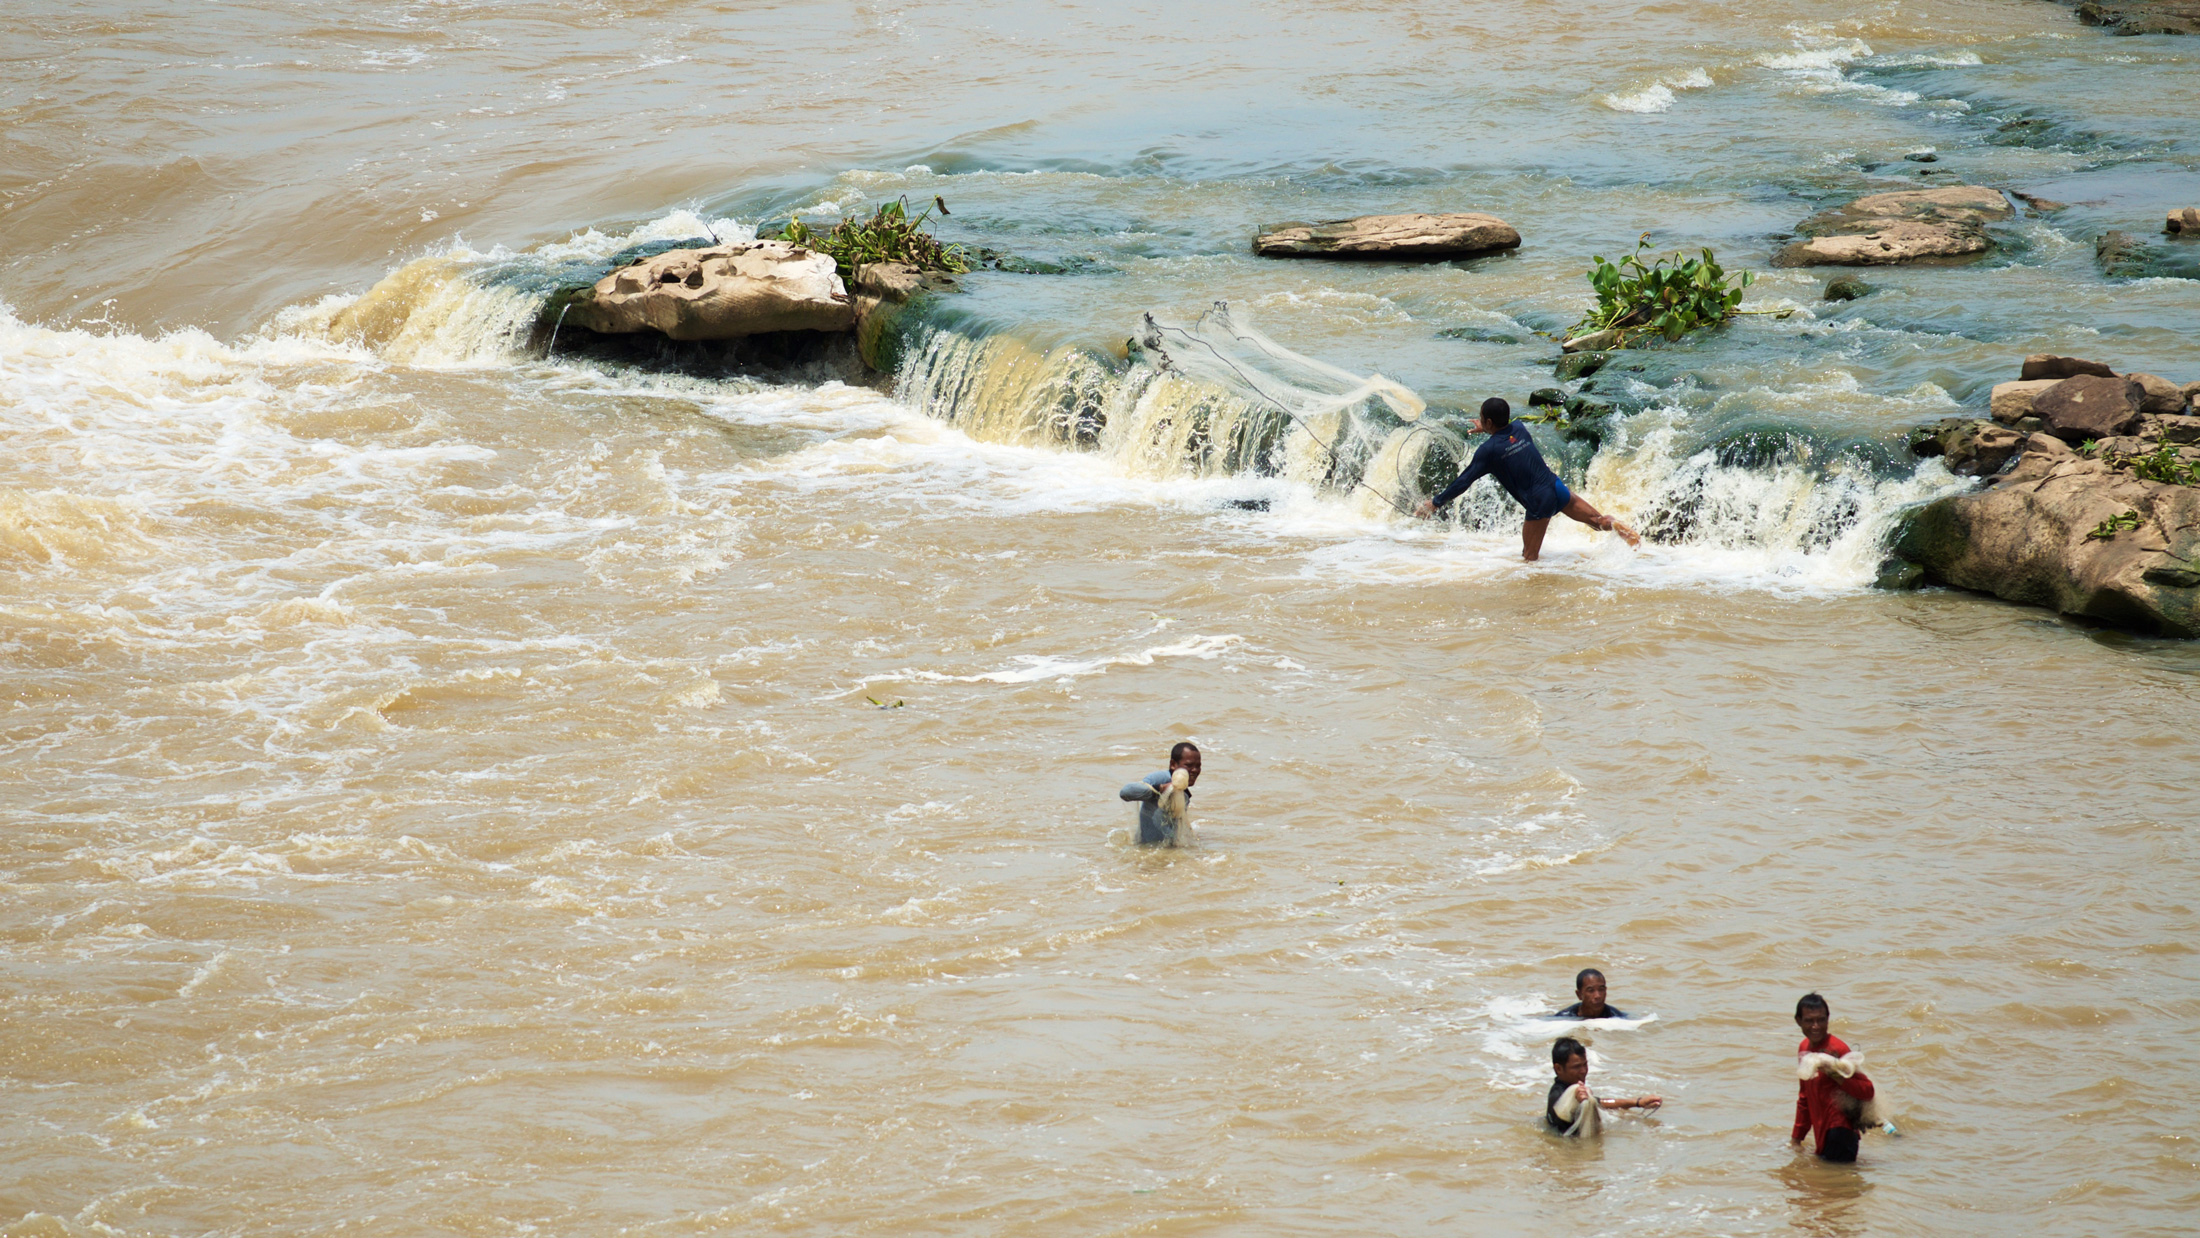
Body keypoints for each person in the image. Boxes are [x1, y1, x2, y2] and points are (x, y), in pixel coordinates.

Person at [1412, 397, 1641, 560]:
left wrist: (1435, 503)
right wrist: (1488, 427)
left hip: (1538, 502)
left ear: (1488, 422)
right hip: (1556, 488)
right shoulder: (1519, 428)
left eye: (1483, 419)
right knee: (1597, 522)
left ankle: (1531, 609)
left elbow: (1463, 481)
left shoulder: (1488, 451)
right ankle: (1614, 523)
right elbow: (1504, 431)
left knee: (1529, 558)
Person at [1790, 992, 1876, 1163]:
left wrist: (1836, 1073)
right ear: (1798, 1021)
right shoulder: (1804, 1048)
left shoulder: (1837, 1050)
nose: (1816, 1026)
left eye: (1821, 1020)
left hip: (1841, 1133)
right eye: (1809, 1021)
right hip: (1822, 1135)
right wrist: (1796, 1139)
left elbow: (1868, 1091)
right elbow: (1804, 1098)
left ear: (1828, 1019)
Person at [1545, 1036, 1662, 1136]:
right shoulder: (1557, 1096)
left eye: (1585, 1065)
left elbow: (1600, 1102)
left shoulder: (1573, 1091)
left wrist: (1638, 1102)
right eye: (1576, 1067)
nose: (1583, 1071)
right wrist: (1577, 1100)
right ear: (1558, 1069)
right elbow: (1564, 1110)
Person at [1119, 742, 1200, 846]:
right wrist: (1160, 789)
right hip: (1146, 851)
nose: (1195, 770)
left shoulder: (1183, 792)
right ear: (1173, 765)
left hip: (1166, 853)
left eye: (1198, 766)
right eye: (1188, 765)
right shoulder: (1160, 778)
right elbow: (1125, 792)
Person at [1553, 968, 1630, 1020]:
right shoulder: (1564, 1018)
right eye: (1591, 990)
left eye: (1601, 989)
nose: (1598, 996)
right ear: (1579, 995)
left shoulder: (1616, 1017)